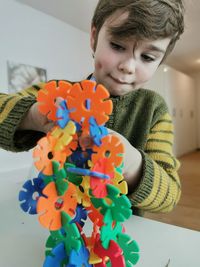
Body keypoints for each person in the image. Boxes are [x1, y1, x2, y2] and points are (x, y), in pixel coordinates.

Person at [0, 0, 184, 215]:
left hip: (114, 237)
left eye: (147, 57)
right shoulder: (57, 93)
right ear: (94, 37)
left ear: (160, 61)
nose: (128, 66)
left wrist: (132, 164)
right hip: (56, 225)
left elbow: (170, 196)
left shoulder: (154, 110)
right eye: (117, 46)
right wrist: (32, 116)